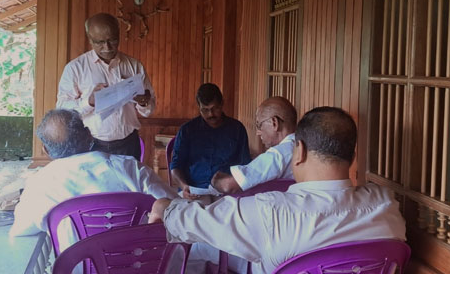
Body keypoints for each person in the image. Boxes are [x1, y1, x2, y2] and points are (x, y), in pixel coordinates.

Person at [150, 106, 407, 273]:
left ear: (300, 151)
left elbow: (192, 222)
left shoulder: (270, 212)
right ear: (352, 156)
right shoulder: (387, 205)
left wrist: (165, 207)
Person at [9, 109, 176, 245]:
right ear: (90, 135)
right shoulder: (132, 169)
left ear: (45, 150)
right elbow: (177, 207)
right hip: (142, 269)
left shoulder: (40, 184)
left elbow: (21, 230)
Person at [56, 12, 154, 160]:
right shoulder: (75, 68)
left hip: (128, 144)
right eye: (99, 42)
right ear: (90, 39)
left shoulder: (135, 66)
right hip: (90, 145)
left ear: (119, 35)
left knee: (127, 184)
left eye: (112, 40)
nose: (107, 47)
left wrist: (144, 103)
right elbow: (62, 111)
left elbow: (149, 110)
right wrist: (88, 102)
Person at [170, 83, 251, 198]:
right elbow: (175, 166)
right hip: (194, 191)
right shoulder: (187, 130)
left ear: (222, 104)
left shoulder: (237, 129)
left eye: (215, 108)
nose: (211, 114)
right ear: (199, 107)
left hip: (227, 193)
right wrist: (184, 186)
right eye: (205, 110)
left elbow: (245, 166)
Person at [211, 96, 297, 194]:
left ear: (274, 123)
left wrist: (216, 181)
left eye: (259, 125)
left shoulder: (277, 155)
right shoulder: (304, 147)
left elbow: (228, 186)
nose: (258, 132)